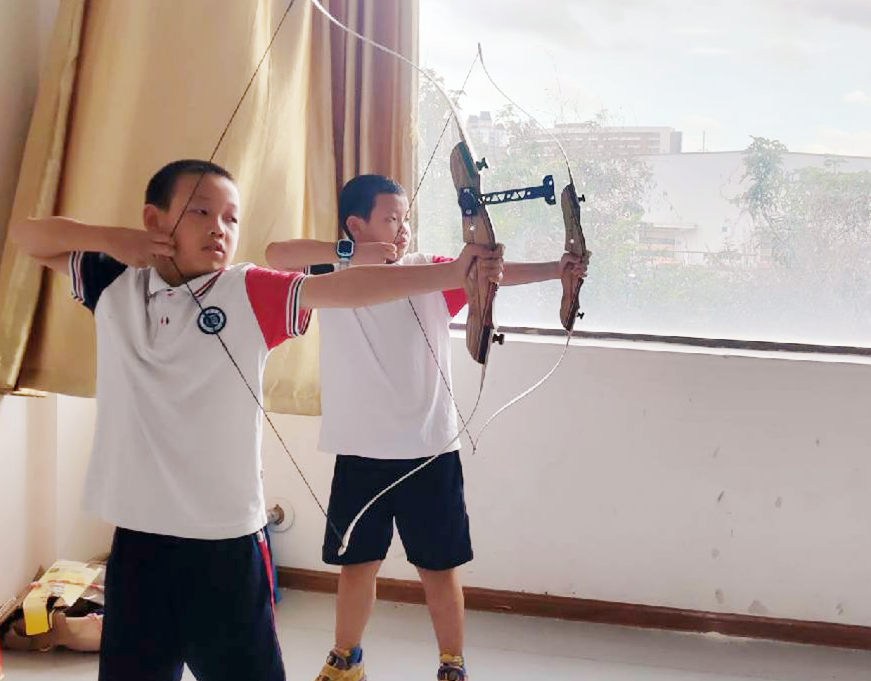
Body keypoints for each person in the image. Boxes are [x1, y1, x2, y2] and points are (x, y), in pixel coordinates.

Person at [10, 159, 504, 681]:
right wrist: (113, 240)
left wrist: (455, 273)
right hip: (139, 542)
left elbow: (347, 288)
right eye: (201, 212)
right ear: (154, 220)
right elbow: (26, 236)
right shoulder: (115, 284)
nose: (219, 228)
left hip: (227, 547)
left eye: (231, 218)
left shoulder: (247, 290)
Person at [265, 174, 586, 681]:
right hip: (361, 451)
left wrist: (556, 269)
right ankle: (346, 658)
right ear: (356, 225)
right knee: (357, 565)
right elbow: (276, 255)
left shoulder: (430, 270)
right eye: (390, 218)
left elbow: (489, 273)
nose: (402, 228)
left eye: (405, 218)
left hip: (430, 450)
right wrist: (353, 254)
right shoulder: (331, 272)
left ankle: (451, 663)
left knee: (439, 568)